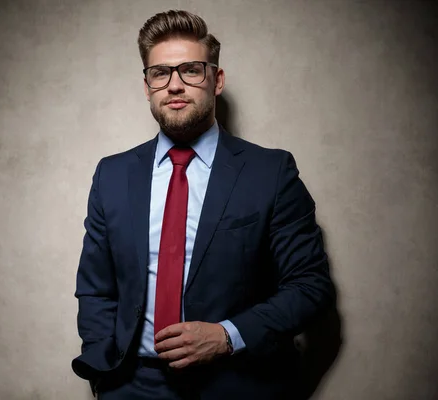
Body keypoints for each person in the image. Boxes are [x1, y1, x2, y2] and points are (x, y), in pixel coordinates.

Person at [71, 9, 336, 400]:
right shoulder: (111, 175)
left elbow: (310, 285)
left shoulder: (271, 171)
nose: (174, 85)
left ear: (217, 80)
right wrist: (105, 378)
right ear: (147, 87)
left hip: (237, 384)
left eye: (191, 70)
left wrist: (227, 336)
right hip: (133, 386)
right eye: (160, 73)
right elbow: (96, 289)